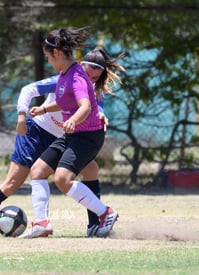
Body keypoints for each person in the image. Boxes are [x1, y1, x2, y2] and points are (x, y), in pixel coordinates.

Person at [0, 47, 122, 238]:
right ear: (80, 68)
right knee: (13, 182)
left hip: (63, 136)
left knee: (90, 168)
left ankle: (94, 225)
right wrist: (22, 115)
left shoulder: (94, 91)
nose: (90, 80)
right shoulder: (65, 79)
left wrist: (101, 116)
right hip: (37, 132)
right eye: (87, 74)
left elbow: (94, 108)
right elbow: (27, 89)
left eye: (95, 78)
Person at [20, 27, 118, 238]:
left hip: (88, 135)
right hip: (74, 134)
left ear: (56, 53)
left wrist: (73, 120)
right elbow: (66, 101)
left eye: (48, 56)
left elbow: (85, 106)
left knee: (62, 180)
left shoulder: (77, 77)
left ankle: (105, 213)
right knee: (38, 170)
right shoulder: (64, 74)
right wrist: (45, 108)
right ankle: (42, 223)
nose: (48, 61)